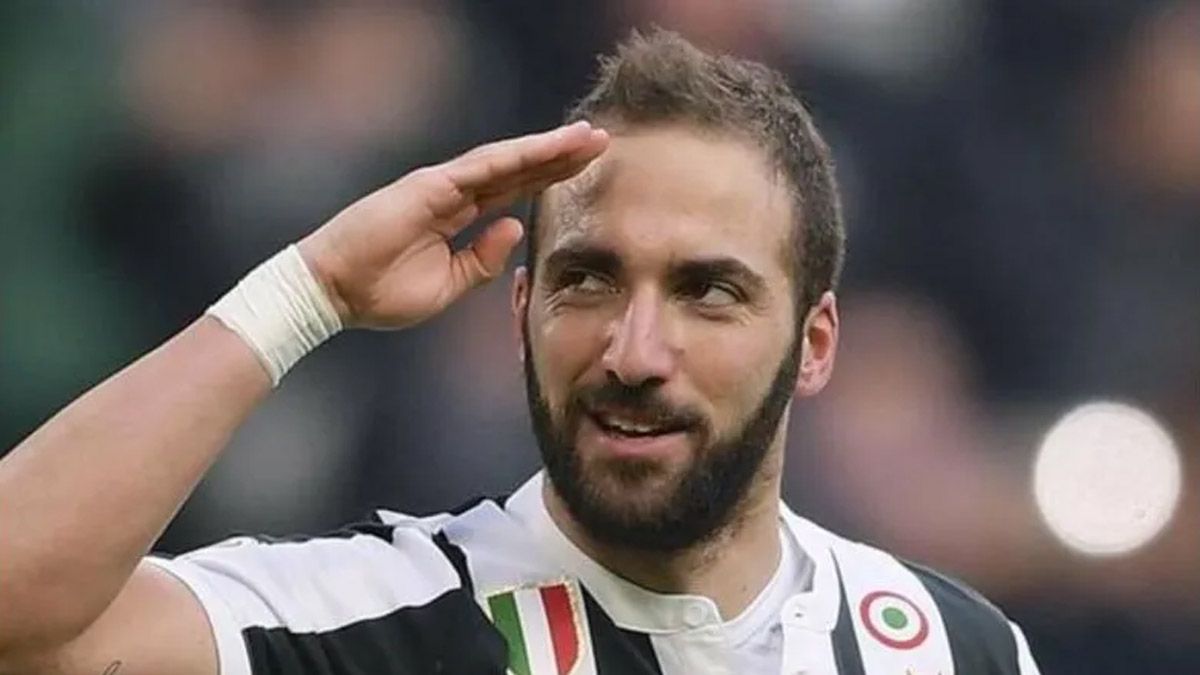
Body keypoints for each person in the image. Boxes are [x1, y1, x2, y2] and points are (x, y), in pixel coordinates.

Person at [0, 30, 1039, 675]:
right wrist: (306, 293)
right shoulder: (375, 620)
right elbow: (18, 620)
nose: (635, 351)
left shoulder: (952, 648)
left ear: (813, 346)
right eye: (589, 279)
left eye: (707, 292)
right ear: (521, 313)